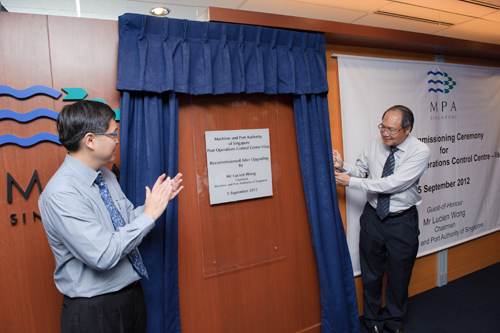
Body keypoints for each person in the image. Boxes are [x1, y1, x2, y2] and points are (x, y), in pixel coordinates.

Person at [38, 100, 183, 333]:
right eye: (113, 133)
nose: (117, 139)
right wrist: (149, 215)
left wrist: (156, 203)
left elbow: (124, 222)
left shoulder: (105, 175)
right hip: (95, 311)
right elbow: (103, 254)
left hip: (132, 297)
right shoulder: (61, 193)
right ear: (90, 140)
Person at [333, 105, 430, 333]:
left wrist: (352, 182)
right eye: (382, 127)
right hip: (373, 217)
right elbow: (360, 170)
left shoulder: (420, 151)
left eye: (392, 130)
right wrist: (343, 166)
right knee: (371, 272)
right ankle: (373, 321)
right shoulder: (374, 143)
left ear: (407, 129)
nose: (385, 133)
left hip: (402, 220)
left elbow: (394, 184)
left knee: (399, 273)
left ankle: (394, 321)